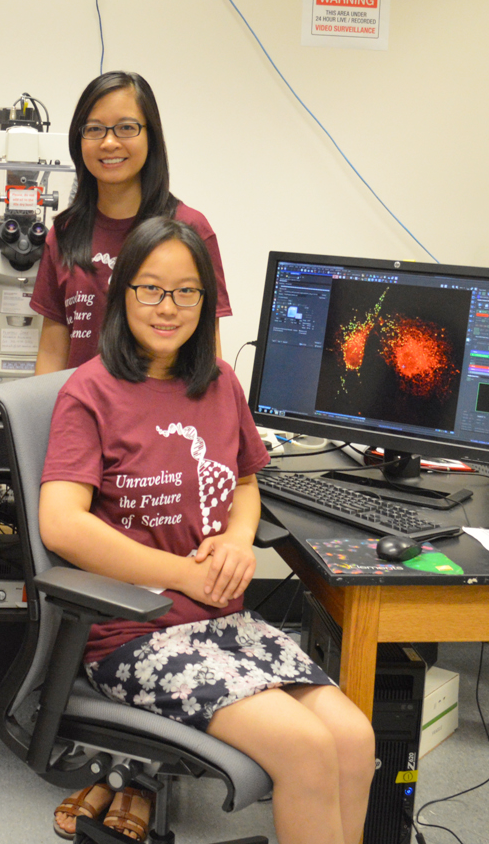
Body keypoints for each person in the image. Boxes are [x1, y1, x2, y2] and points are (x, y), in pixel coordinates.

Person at [40, 217, 375, 844]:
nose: (168, 308)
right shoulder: (91, 391)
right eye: (151, 290)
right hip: (134, 635)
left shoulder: (219, 385)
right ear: (123, 295)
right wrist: (181, 574)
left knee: (355, 737)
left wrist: (237, 538)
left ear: (206, 299)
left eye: (186, 292)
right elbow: (60, 525)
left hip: (224, 624)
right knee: (304, 748)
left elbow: (245, 483)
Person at [31, 71, 232, 375]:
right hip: (83, 413)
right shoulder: (64, 234)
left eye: (126, 128)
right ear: (79, 138)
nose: (109, 142)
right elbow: (52, 348)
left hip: (164, 419)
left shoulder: (190, 230)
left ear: (151, 135)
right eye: (95, 129)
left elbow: (208, 350)